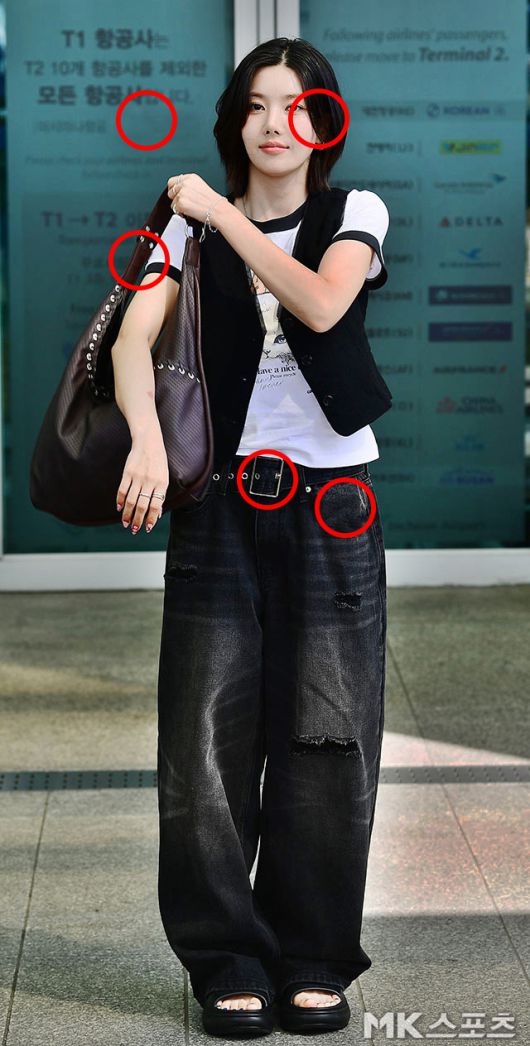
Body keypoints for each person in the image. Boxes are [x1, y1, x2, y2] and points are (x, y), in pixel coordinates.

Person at [112, 36, 390, 1039]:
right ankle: (226, 956)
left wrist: (222, 216)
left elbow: (319, 302)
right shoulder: (183, 228)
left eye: (299, 105)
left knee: (327, 738)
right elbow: (132, 342)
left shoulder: (352, 214)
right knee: (204, 744)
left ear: (325, 122)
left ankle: (313, 955)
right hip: (219, 508)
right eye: (258, 105)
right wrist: (148, 441)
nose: (277, 123)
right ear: (235, 121)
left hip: (330, 509)